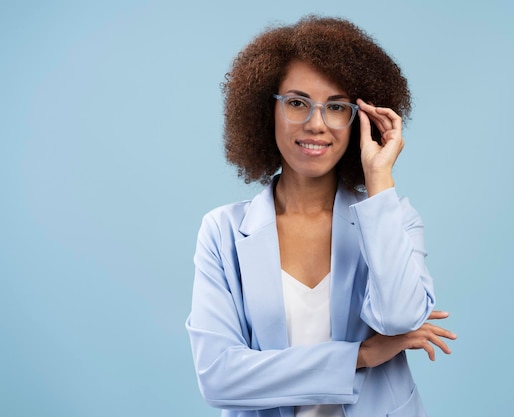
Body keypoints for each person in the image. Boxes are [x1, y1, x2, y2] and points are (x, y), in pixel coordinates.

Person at [186, 15, 456, 417]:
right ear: (267, 111)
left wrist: (379, 177)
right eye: (297, 103)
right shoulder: (222, 231)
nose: (316, 124)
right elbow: (219, 377)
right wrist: (359, 356)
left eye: (336, 107)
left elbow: (398, 317)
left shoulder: (393, 217)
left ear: (359, 120)